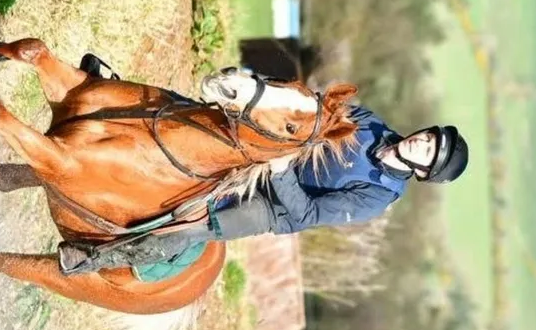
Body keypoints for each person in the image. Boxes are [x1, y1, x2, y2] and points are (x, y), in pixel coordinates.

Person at [58, 59, 469, 275]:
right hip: (271, 153)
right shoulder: (372, 123)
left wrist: (281, 169)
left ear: (422, 173)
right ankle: (114, 90)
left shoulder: (375, 198)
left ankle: (90, 259)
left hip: (271, 201)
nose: (421, 142)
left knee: (192, 227)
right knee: (205, 119)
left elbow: (306, 213)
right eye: (429, 137)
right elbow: (314, 113)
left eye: (428, 152)